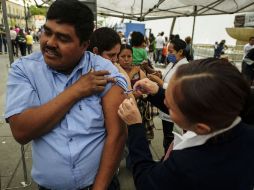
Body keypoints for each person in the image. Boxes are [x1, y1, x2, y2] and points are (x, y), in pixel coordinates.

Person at [5, 1, 128, 190]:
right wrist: (76, 91)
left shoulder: (104, 70)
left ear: (84, 45)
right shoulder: (24, 70)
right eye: (47, 32)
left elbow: (117, 134)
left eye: (63, 38)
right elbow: (21, 131)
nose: (50, 43)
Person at [118, 58, 254, 190]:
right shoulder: (230, 111)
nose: (165, 101)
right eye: (168, 91)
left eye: (171, 106)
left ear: (200, 128)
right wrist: (157, 91)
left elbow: (146, 180)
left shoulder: (188, 166)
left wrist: (135, 125)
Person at [147, 38, 188, 154]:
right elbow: (166, 78)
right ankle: (166, 157)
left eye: (171, 51)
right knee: (167, 137)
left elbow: (177, 88)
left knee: (171, 138)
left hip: (173, 108)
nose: (168, 54)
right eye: (168, 51)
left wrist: (159, 82)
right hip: (165, 105)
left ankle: (168, 159)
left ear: (180, 52)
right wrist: (158, 75)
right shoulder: (172, 63)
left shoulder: (184, 67)